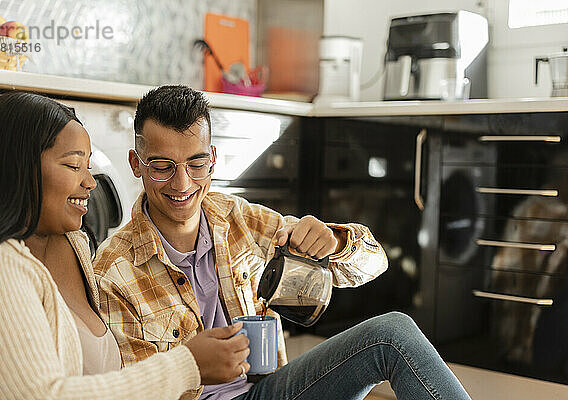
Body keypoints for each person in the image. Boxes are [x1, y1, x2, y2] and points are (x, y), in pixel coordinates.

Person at [93, 85, 472, 400]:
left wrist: (335, 242)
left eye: (195, 164)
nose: (182, 183)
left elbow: (375, 264)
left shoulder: (238, 219)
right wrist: (194, 366)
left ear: (212, 159)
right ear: (136, 163)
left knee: (394, 332)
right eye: (162, 167)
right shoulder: (113, 273)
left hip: (269, 391)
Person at [0, 92, 208, 399]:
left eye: (88, 165)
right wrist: (187, 365)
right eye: (73, 165)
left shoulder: (74, 244)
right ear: (16, 167)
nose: (91, 182)